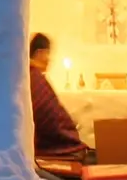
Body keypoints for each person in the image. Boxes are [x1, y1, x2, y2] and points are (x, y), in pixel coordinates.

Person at [28, 32, 92, 163]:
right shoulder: (35, 78)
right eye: (48, 54)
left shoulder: (30, 77)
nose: (49, 60)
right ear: (40, 53)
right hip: (60, 149)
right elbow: (51, 118)